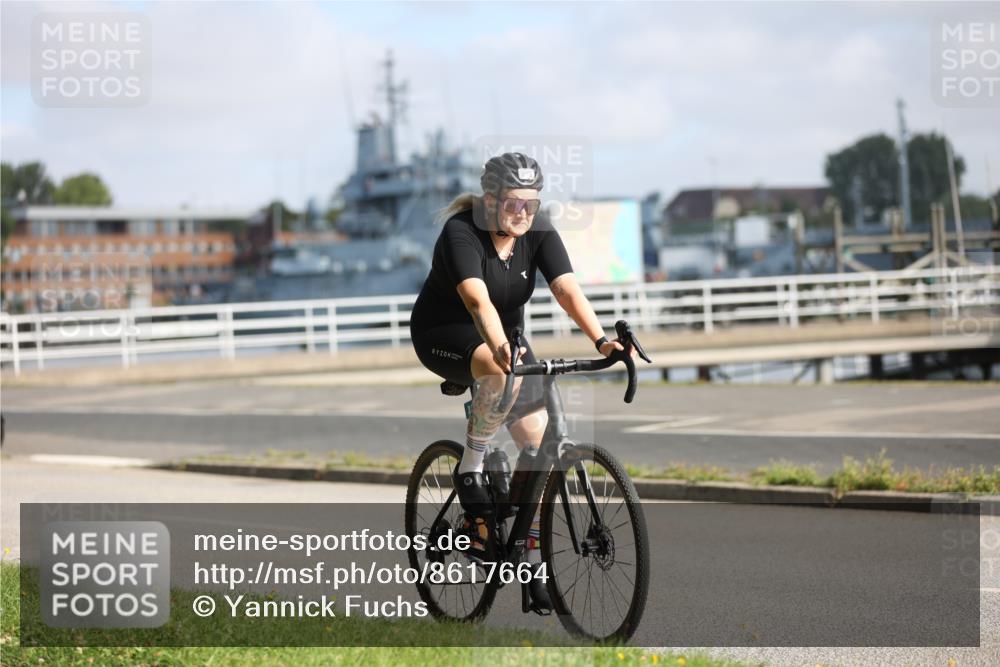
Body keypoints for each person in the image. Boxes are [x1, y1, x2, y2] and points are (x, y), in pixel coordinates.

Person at [408, 152, 628, 609]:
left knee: (540, 442)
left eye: (531, 203)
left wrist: (602, 341)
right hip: (445, 334)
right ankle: (471, 466)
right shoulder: (461, 232)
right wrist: (500, 347)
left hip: (504, 340)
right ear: (490, 201)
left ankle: (528, 559)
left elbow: (566, 288)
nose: (523, 213)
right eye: (513, 204)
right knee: (495, 367)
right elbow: (476, 300)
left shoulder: (539, 230)